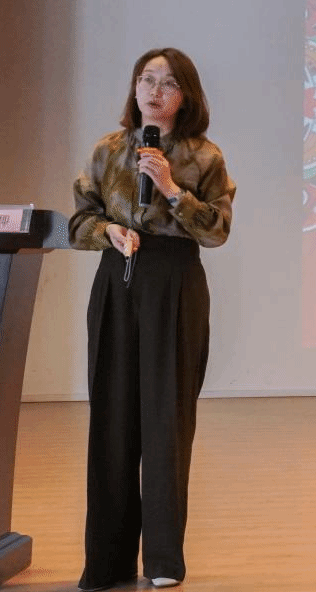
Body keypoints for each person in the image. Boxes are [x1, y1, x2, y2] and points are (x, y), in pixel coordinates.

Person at [68, 47, 236, 591]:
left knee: (167, 420)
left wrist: (170, 189)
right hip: (117, 280)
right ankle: (108, 562)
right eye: (146, 79)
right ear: (134, 88)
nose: (154, 91)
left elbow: (217, 231)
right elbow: (78, 222)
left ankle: (163, 560)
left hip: (175, 283)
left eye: (167, 83)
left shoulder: (204, 156)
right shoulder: (107, 150)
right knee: (112, 419)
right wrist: (109, 232)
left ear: (186, 95)